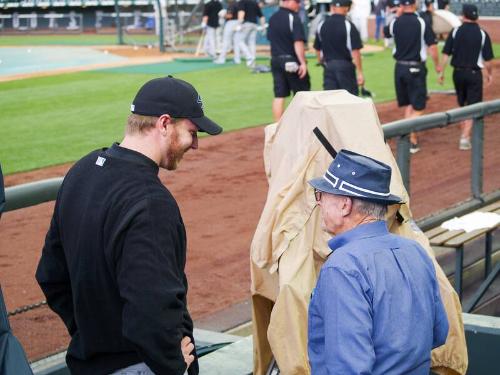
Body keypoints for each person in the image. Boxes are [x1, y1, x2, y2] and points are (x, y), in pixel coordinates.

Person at [36, 76, 223, 375]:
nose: (196, 144)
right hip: (139, 366)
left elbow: (50, 275)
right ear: (164, 124)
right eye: (192, 131)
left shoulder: (81, 171)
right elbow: (151, 307)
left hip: (87, 363)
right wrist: (174, 365)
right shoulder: (150, 202)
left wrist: (91, 334)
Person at [307, 149, 449, 374]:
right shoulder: (415, 250)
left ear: (345, 205)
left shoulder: (343, 267)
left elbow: (349, 367)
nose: (319, 203)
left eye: (322, 195)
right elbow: (439, 332)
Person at [384, 0, 440, 154]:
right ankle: (408, 136)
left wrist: (397, 15)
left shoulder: (395, 23)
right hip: (416, 69)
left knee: (410, 104)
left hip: (400, 68)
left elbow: (385, 32)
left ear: (401, 5)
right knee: (419, 107)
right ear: (415, 4)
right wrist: (437, 65)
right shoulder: (421, 22)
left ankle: (411, 139)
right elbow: (433, 47)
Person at [439, 4, 494, 150]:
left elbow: (445, 54)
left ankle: (464, 129)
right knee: (472, 106)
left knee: (461, 104)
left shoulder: (456, 31)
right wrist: (489, 74)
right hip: (474, 74)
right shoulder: (482, 34)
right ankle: (464, 137)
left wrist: (441, 72)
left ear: (463, 16)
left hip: (457, 73)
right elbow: (488, 61)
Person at [267, 0, 310, 121]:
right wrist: (302, 62)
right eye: (296, 1)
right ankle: (301, 125)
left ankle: (278, 129)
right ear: (287, 2)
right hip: (291, 61)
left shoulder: (273, 18)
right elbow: (298, 42)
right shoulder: (293, 18)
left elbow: (271, 40)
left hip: (275, 60)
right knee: (301, 95)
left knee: (279, 95)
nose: (298, 4)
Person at [313, 0, 364, 95]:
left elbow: (317, 48)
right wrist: (360, 72)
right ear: (346, 8)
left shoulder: (322, 24)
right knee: (349, 99)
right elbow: (355, 51)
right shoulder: (348, 25)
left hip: (328, 67)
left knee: (330, 100)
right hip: (345, 67)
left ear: (332, 7)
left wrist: (321, 62)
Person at [237, 0, 266, 67]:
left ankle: (249, 56)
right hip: (254, 24)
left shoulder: (242, 2)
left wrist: (239, 24)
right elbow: (261, 16)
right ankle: (252, 62)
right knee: (251, 43)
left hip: (246, 24)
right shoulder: (254, 3)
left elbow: (241, 12)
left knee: (239, 41)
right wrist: (263, 27)